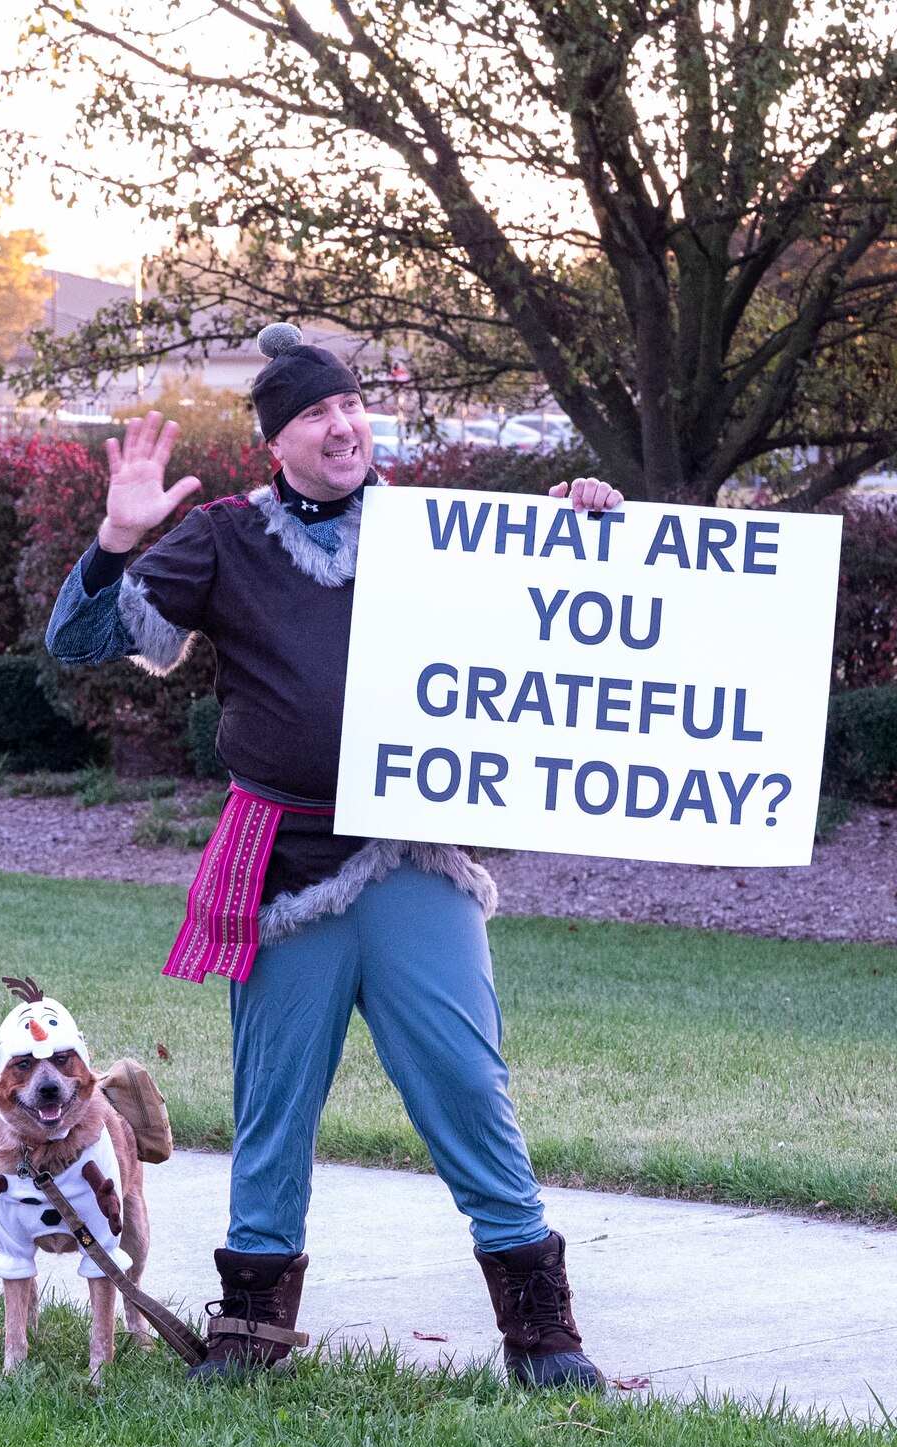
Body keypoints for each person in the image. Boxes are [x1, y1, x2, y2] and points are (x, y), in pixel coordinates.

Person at [45, 325, 620, 1388]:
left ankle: (544, 1337)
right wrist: (116, 541)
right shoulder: (223, 536)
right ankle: (253, 1336)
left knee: (466, 1089)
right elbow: (82, 644)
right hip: (283, 869)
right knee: (273, 1109)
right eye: (313, 412)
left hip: (413, 860)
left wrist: (586, 527)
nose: (341, 424)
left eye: (350, 404)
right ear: (275, 442)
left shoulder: (443, 531)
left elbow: (563, 617)